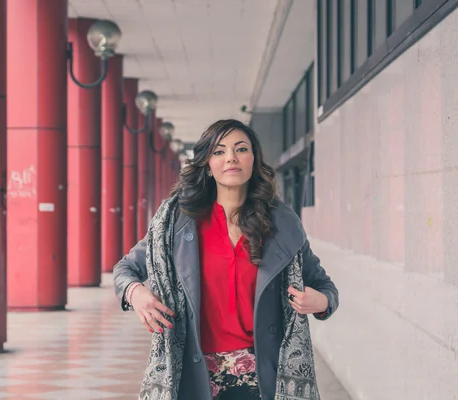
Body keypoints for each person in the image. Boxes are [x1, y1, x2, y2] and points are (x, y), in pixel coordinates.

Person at [113, 119, 339, 400]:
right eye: (219, 151)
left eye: (241, 149)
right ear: (207, 164)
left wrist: (321, 302)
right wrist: (136, 294)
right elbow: (125, 269)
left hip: (263, 376)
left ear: (253, 159)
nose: (231, 157)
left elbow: (325, 286)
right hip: (193, 374)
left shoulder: (282, 223)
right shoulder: (176, 221)